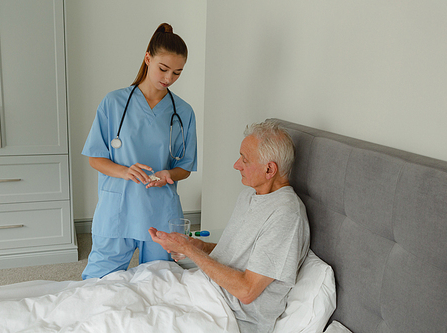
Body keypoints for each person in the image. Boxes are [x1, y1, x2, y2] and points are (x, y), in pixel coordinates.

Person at [149, 120, 310, 333]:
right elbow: (239, 254)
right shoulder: (250, 195)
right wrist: (198, 246)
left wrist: (189, 251)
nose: (236, 164)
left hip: (228, 314)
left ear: (269, 169)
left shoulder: (286, 215)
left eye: (245, 159)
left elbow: (247, 291)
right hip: (205, 289)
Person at [82, 23, 197, 280]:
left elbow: (185, 167)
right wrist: (125, 171)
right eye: (163, 69)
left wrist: (168, 173)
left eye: (177, 73)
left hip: (160, 211)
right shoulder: (113, 103)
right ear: (148, 58)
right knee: (98, 284)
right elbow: (95, 158)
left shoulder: (183, 112)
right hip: (118, 208)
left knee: (159, 283)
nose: (168, 78)